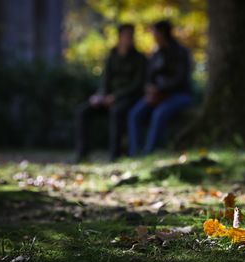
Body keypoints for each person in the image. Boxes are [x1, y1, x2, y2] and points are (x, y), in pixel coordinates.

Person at [75, 23, 146, 162]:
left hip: (128, 99)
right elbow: (105, 81)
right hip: (108, 97)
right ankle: (82, 153)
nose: (129, 39)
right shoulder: (112, 56)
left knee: (116, 112)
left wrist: (115, 97)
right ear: (119, 37)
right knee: (83, 111)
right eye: (126, 35)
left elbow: (137, 85)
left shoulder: (139, 58)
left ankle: (115, 155)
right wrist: (99, 96)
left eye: (131, 36)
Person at [128, 20, 193, 156]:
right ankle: (135, 153)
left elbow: (180, 79)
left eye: (155, 32)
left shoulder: (181, 52)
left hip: (179, 95)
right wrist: (151, 90)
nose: (153, 36)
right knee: (135, 114)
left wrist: (161, 90)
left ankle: (149, 153)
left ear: (163, 33)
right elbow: (149, 77)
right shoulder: (156, 53)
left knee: (159, 114)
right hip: (156, 95)